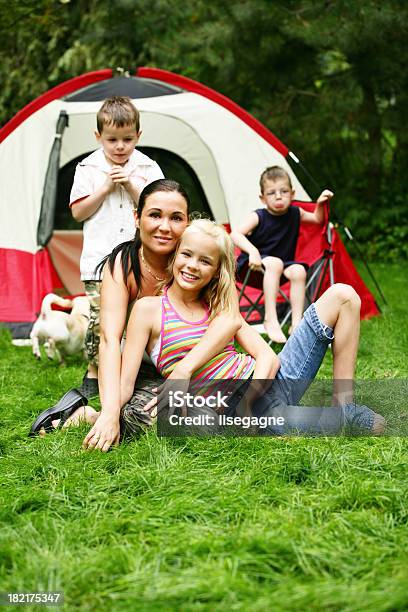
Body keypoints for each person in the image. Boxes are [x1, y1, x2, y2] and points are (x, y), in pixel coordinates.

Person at [119, 219, 385, 436]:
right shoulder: (148, 310)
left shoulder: (219, 306)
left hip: (271, 382)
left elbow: (268, 356)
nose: (192, 266)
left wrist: (249, 401)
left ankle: (344, 405)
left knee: (343, 295)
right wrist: (105, 417)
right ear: (175, 256)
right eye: (186, 254)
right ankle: (341, 418)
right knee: (369, 425)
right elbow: (125, 383)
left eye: (205, 261)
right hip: (245, 408)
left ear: (215, 271)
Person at [30, 181, 242, 449]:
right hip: (137, 364)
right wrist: (109, 413)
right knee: (139, 417)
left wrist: (185, 369)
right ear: (137, 218)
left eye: (176, 218)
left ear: (187, 223)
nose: (165, 227)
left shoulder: (198, 259)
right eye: (155, 215)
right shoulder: (123, 266)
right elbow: (109, 340)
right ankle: (88, 414)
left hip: (186, 361)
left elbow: (231, 318)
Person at [70, 95, 164, 395]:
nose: (120, 147)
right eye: (112, 140)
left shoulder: (147, 167)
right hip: (100, 260)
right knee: (101, 319)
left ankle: (135, 370)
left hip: (140, 260)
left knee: (137, 316)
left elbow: (158, 207)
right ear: (99, 137)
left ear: (138, 135)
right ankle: (95, 373)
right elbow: (78, 212)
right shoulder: (87, 167)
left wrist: (132, 184)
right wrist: (106, 187)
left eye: (127, 139)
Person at [231, 165, 333, 343]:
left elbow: (317, 219)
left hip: (281, 267)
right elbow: (235, 234)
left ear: (292, 194)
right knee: (275, 263)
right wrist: (252, 251)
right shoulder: (258, 216)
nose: (278, 196)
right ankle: (270, 319)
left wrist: (320, 204)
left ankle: (297, 324)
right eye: (271, 193)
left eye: (284, 191)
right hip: (253, 266)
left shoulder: (295, 213)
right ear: (262, 198)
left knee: (298, 270)